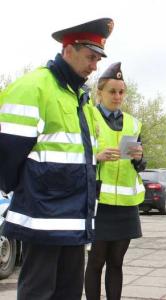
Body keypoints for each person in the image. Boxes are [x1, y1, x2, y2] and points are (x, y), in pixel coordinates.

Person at [0, 18, 114, 300]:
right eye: (90, 57)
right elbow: (6, 154)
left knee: (69, 293)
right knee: (38, 293)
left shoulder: (79, 97)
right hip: (42, 220)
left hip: (74, 220)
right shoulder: (34, 87)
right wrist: (30, 192)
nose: (94, 66)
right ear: (68, 51)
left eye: (98, 59)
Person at [84, 62, 146, 300]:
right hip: (100, 203)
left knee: (117, 263)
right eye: (112, 91)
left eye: (121, 91)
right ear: (99, 92)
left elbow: (139, 165)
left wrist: (140, 159)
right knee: (96, 262)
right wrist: (95, 157)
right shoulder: (89, 117)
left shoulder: (133, 123)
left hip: (126, 206)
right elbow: (77, 154)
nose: (117, 96)